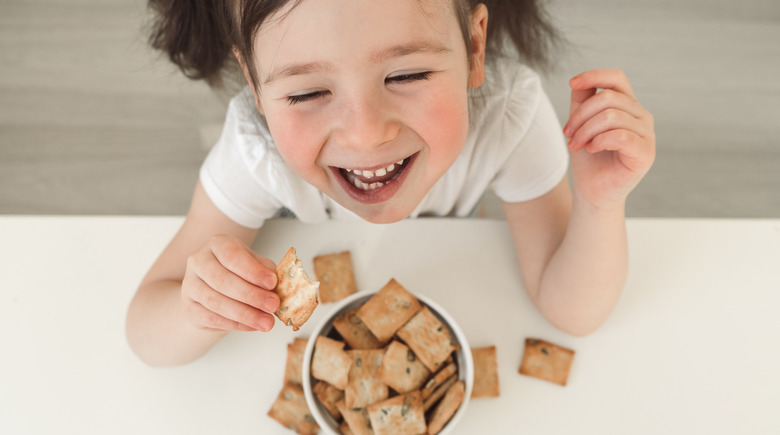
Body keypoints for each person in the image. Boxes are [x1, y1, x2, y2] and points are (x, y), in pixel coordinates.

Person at [126, 0, 655, 366]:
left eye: (405, 76)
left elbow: (572, 311)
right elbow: (146, 331)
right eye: (308, 93)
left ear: (474, 46)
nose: (366, 136)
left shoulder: (509, 118)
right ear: (255, 82)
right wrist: (198, 308)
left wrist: (599, 203)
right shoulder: (253, 150)